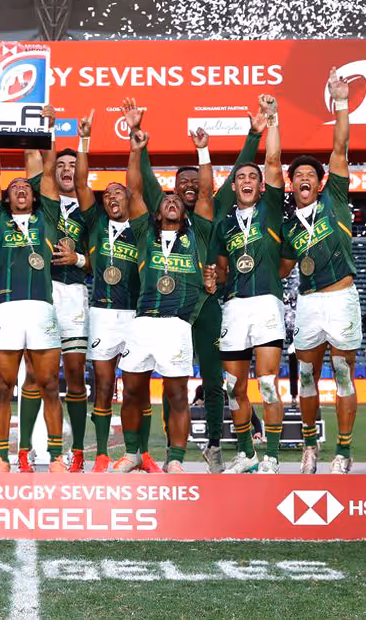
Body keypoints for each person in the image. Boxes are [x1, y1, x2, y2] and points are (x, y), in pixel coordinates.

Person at [160, 107, 267, 472]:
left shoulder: (215, 208)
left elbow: (240, 170)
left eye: (195, 181)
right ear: (173, 189)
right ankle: (171, 450)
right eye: (183, 183)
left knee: (214, 376)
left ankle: (216, 445)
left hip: (208, 304)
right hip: (171, 305)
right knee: (171, 375)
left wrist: (254, 136)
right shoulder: (165, 215)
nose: (190, 187)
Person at [113, 107, 217, 474]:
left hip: (177, 325)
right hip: (144, 322)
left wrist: (203, 151)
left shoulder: (198, 235)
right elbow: (135, 189)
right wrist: (136, 146)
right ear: (157, 214)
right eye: (166, 201)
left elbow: (205, 191)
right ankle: (131, 454)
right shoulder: (144, 235)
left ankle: (175, 460)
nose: (172, 201)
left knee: (176, 395)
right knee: (132, 392)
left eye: (177, 201)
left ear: (184, 212)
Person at [279, 67, 361, 474]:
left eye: (311, 174)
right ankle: (311, 446)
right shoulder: (289, 225)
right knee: (307, 375)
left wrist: (341, 101)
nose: (305, 178)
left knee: (343, 373)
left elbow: (341, 146)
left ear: (321, 181)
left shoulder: (336, 199)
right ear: (291, 185)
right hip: (309, 302)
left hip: (342, 297)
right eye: (299, 176)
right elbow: (281, 269)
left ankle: (344, 452)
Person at [0, 106, 66, 473]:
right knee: (2, 385)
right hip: (6, 308)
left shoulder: (47, 218)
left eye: (24, 189)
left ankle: (58, 456)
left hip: (41, 309)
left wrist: (47, 128)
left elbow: (47, 172)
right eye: (14, 189)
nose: (20, 190)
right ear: (6, 199)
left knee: (48, 383)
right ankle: (2, 457)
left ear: (34, 198)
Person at [213, 94, 286, 475]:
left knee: (269, 383)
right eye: (240, 176)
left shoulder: (271, 209)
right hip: (235, 307)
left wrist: (272, 119)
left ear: (261, 187)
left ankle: (271, 456)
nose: (245, 180)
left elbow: (272, 160)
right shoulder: (225, 223)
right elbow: (222, 267)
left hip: (266, 305)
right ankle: (247, 453)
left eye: (251, 178)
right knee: (233, 387)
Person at [16, 140, 91, 473]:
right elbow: (32, 158)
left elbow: (102, 261)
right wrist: (42, 131)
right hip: (42, 292)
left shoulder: (91, 210)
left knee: (75, 376)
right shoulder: (41, 200)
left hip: (74, 293)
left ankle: (76, 452)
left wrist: (78, 258)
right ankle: (25, 451)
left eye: (72, 166)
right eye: (59, 165)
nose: (65, 170)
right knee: (34, 375)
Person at [72, 110, 139, 472]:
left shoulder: (141, 227)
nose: (113, 197)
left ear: (129, 200)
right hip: (101, 312)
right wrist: (85, 141)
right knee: (101, 383)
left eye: (119, 193)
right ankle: (99, 453)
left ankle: (137, 453)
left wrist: (134, 141)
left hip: (135, 313)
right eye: (108, 194)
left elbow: (136, 180)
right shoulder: (96, 222)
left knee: (135, 386)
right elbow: (83, 184)